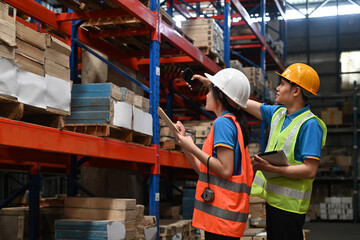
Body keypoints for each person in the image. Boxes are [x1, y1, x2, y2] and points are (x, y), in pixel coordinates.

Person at [243, 63, 327, 240]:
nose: (277, 87)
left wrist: (271, 168)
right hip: (274, 201)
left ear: (296, 91)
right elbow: (242, 101)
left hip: (290, 206)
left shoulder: (310, 125)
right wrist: (214, 84)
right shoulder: (279, 114)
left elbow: (310, 170)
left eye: (282, 84)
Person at [173, 68, 254, 239]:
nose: (206, 94)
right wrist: (186, 144)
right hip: (223, 220)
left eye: (210, 90)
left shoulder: (223, 124)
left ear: (221, 97)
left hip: (222, 221)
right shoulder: (233, 123)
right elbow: (205, 170)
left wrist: (193, 148)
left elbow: (225, 169)